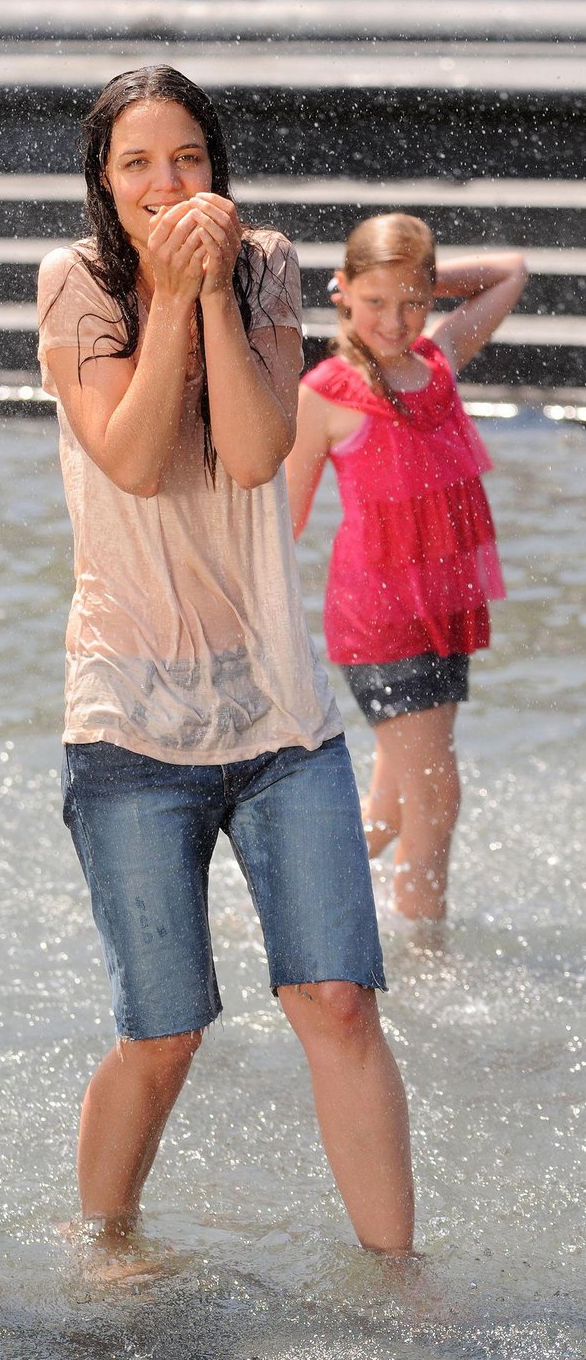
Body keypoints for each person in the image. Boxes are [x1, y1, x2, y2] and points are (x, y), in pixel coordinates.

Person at [36, 66, 414, 1256]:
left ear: (220, 169)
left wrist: (208, 293)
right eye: (141, 163)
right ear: (106, 178)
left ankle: (399, 1277)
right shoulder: (75, 286)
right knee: (164, 1028)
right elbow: (138, 458)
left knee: (339, 998)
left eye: (190, 159)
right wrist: (163, 288)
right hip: (127, 717)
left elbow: (255, 451)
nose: (169, 182)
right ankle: (105, 1243)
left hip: (279, 712)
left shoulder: (268, 265)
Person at [285, 214, 526, 922]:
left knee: (391, 812)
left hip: (445, 611)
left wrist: (416, 278)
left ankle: (286, 901)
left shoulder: (440, 355)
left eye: (410, 302)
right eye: (373, 302)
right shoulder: (324, 391)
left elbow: (511, 269)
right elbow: (285, 521)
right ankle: (425, 961)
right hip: (379, 621)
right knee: (435, 795)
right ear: (342, 294)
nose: (393, 321)